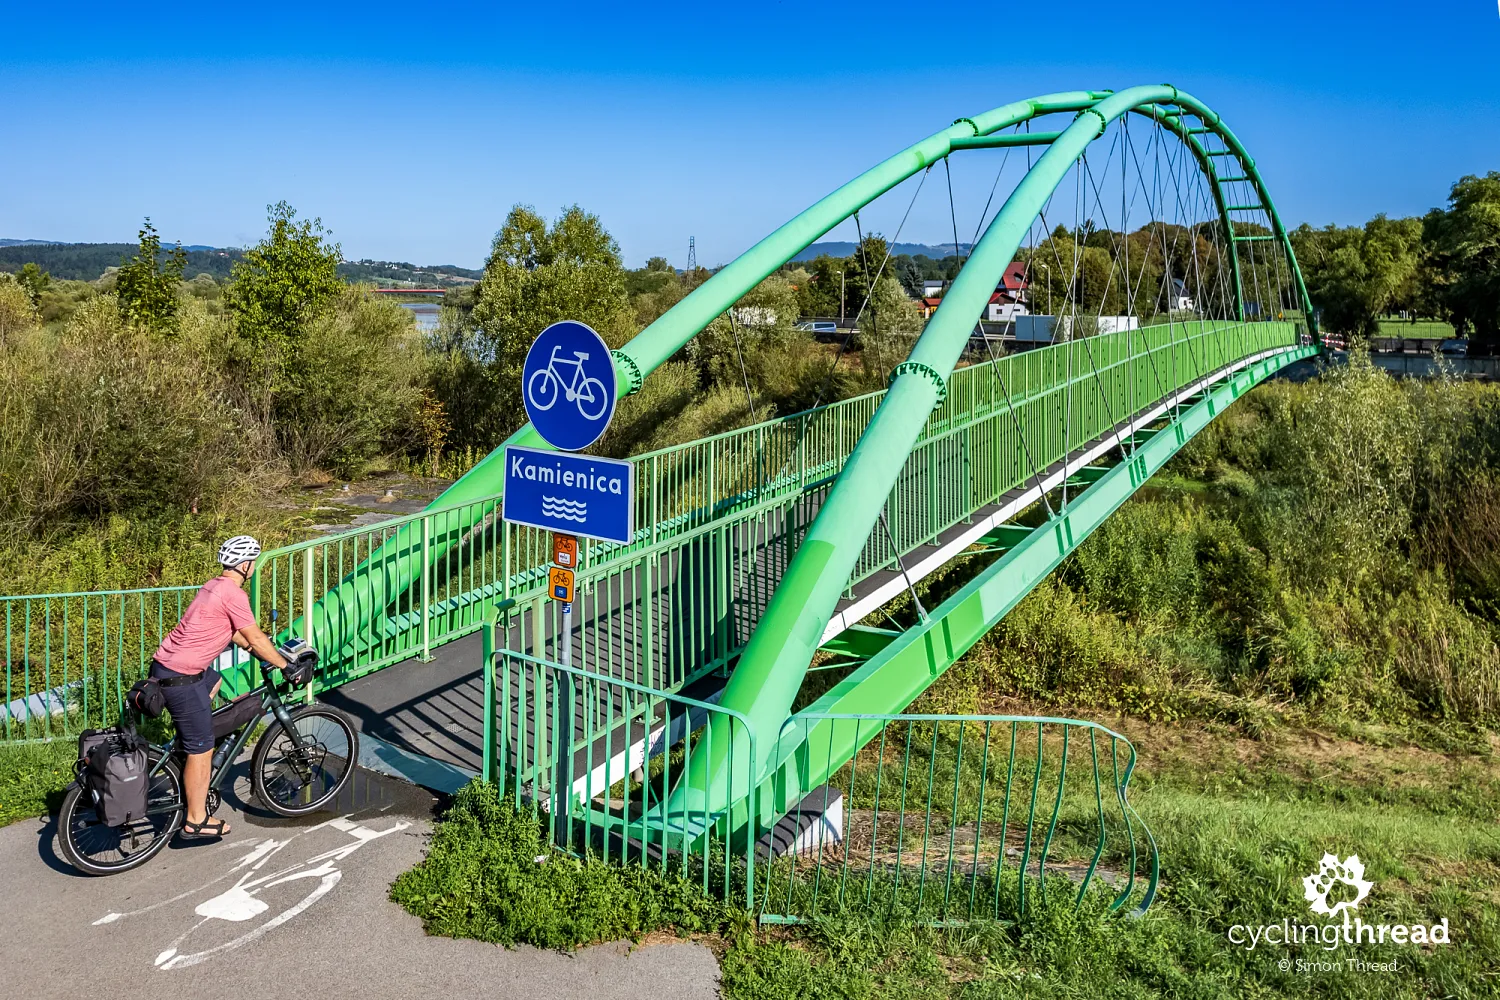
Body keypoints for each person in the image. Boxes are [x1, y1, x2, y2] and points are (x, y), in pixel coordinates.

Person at [150, 535, 289, 840]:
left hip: (167, 668)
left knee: (214, 682)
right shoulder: (235, 594)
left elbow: (235, 633)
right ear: (246, 564)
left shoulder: (214, 586)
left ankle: (185, 757)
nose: (255, 567)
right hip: (181, 677)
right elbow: (253, 637)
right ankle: (196, 820)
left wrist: (262, 650)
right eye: (254, 561)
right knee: (201, 748)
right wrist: (284, 665)